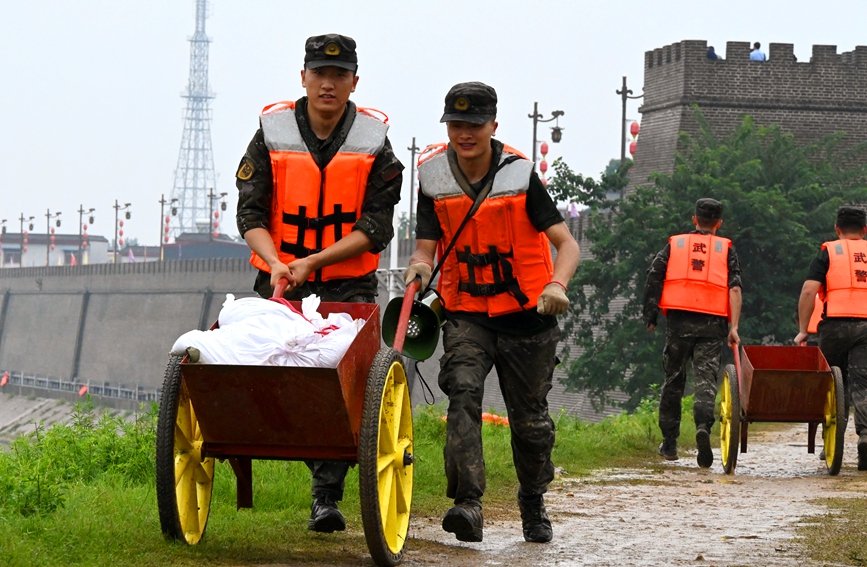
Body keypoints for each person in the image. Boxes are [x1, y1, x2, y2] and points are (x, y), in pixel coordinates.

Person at [234, 33, 403, 532]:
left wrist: (316, 261)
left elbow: (376, 226)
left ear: (354, 81)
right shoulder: (270, 131)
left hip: (349, 285)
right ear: (303, 77)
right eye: (319, 74)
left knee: (344, 381)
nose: (328, 84)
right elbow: (250, 212)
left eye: (339, 75)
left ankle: (326, 497)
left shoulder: (374, 141)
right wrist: (277, 264)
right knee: (278, 372)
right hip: (282, 281)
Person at [404, 82, 580, 544]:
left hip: (528, 314)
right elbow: (425, 249)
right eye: (456, 125)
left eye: (474, 125)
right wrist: (418, 271)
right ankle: (468, 504)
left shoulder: (520, 175)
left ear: (493, 126)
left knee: (531, 422)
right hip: (467, 312)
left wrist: (557, 284)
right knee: (462, 392)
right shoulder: (433, 178)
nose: (465, 134)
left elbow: (567, 244)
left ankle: (533, 500)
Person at [642, 199, 742, 468]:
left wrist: (650, 313)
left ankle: (671, 443)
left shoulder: (676, 244)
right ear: (718, 223)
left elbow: (654, 273)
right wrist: (733, 327)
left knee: (674, 379)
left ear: (694, 219)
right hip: (712, 325)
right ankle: (703, 429)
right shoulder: (726, 249)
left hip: (679, 322)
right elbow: (734, 288)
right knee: (706, 380)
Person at [794, 206, 867, 470]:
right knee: (863, 384)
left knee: (835, 384)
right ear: (865, 230)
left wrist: (803, 330)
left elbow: (808, 291)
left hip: (835, 326)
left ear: (837, 229)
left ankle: (832, 442)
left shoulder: (830, 251)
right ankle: (866, 437)